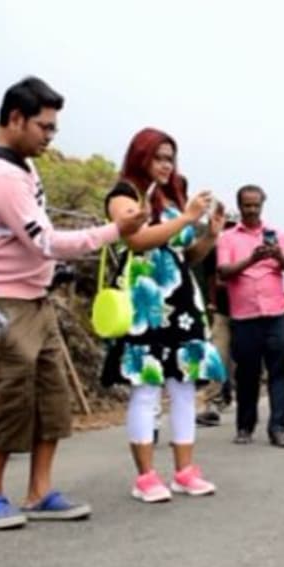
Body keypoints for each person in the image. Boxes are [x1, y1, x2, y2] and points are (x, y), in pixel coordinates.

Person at [0, 76, 146, 529]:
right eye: (44, 127)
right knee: (10, 395)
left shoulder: (23, 165)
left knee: (52, 395)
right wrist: (114, 232)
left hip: (35, 298)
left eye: (54, 129)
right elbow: (44, 240)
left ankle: (40, 492)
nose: (49, 137)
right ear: (15, 119)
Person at [99, 127, 226, 502]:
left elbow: (186, 256)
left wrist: (210, 236)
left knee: (184, 386)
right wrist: (187, 219)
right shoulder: (125, 194)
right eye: (159, 157)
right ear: (141, 157)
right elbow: (135, 239)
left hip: (181, 300)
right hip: (144, 300)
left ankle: (185, 471)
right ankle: (146, 476)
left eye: (170, 158)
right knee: (147, 387)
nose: (166, 165)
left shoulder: (174, 195)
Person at [216, 185, 284, 448]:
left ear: (262, 205)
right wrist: (251, 259)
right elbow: (224, 272)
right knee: (247, 374)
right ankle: (245, 427)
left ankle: (278, 429)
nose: (251, 210)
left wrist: (276, 254)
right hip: (245, 316)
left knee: (280, 373)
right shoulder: (227, 238)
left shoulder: (277, 234)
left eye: (256, 205)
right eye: (247, 205)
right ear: (239, 207)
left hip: (275, 313)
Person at [197, 212, 239, 424]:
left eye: (233, 226)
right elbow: (211, 279)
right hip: (222, 312)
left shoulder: (244, 249)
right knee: (218, 356)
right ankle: (209, 401)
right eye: (226, 226)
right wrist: (212, 303)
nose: (229, 230)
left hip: (245, 312)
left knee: (239, 361)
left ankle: (231, 398)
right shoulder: (213, 251)